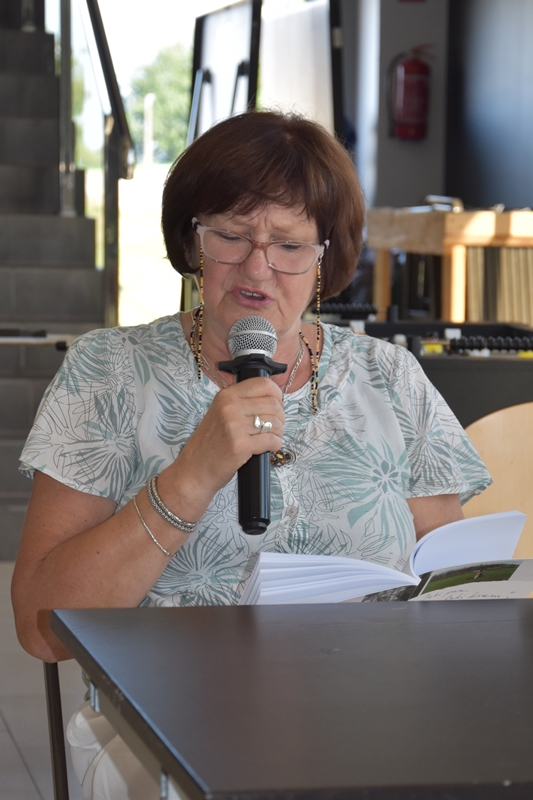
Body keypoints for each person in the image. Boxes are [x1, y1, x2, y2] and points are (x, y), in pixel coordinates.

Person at [11, 110, 491, 799]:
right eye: (231, 236)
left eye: (289, 244)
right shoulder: (107, 372)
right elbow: (41, 628)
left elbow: (455, 585)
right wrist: (191, 477)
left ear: (324, 257)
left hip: (368, 719)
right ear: (192, 240)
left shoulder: (389, 377)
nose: (257, 267)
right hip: (166, 724)